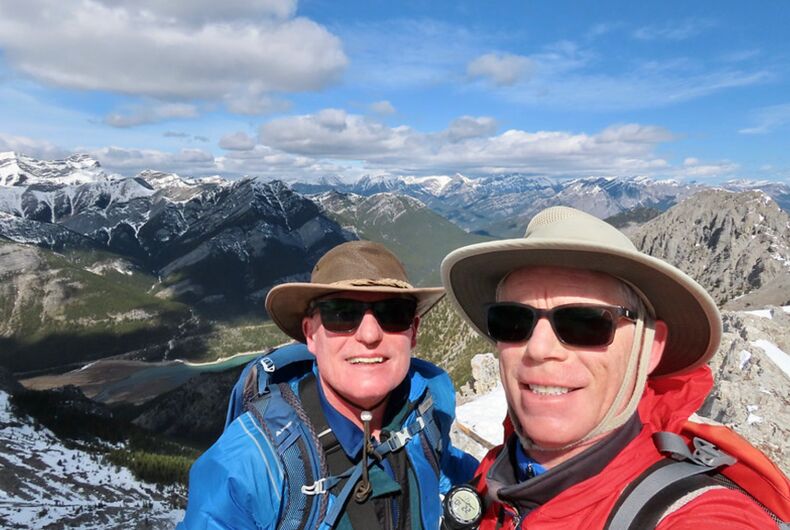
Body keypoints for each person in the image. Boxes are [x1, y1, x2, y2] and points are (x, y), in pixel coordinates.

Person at [440, 206, 788, 529]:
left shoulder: (694, 515)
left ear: (650, 347)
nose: (539, 349)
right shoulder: (495, 473)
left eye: (585, 323)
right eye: (512, 320)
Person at [179, 240, 478, 529]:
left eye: (393, 313)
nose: (370, 334)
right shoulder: (247, 466)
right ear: (310, 334)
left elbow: (446, 467)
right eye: (342, 313)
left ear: (412, 333)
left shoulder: (425, 413)